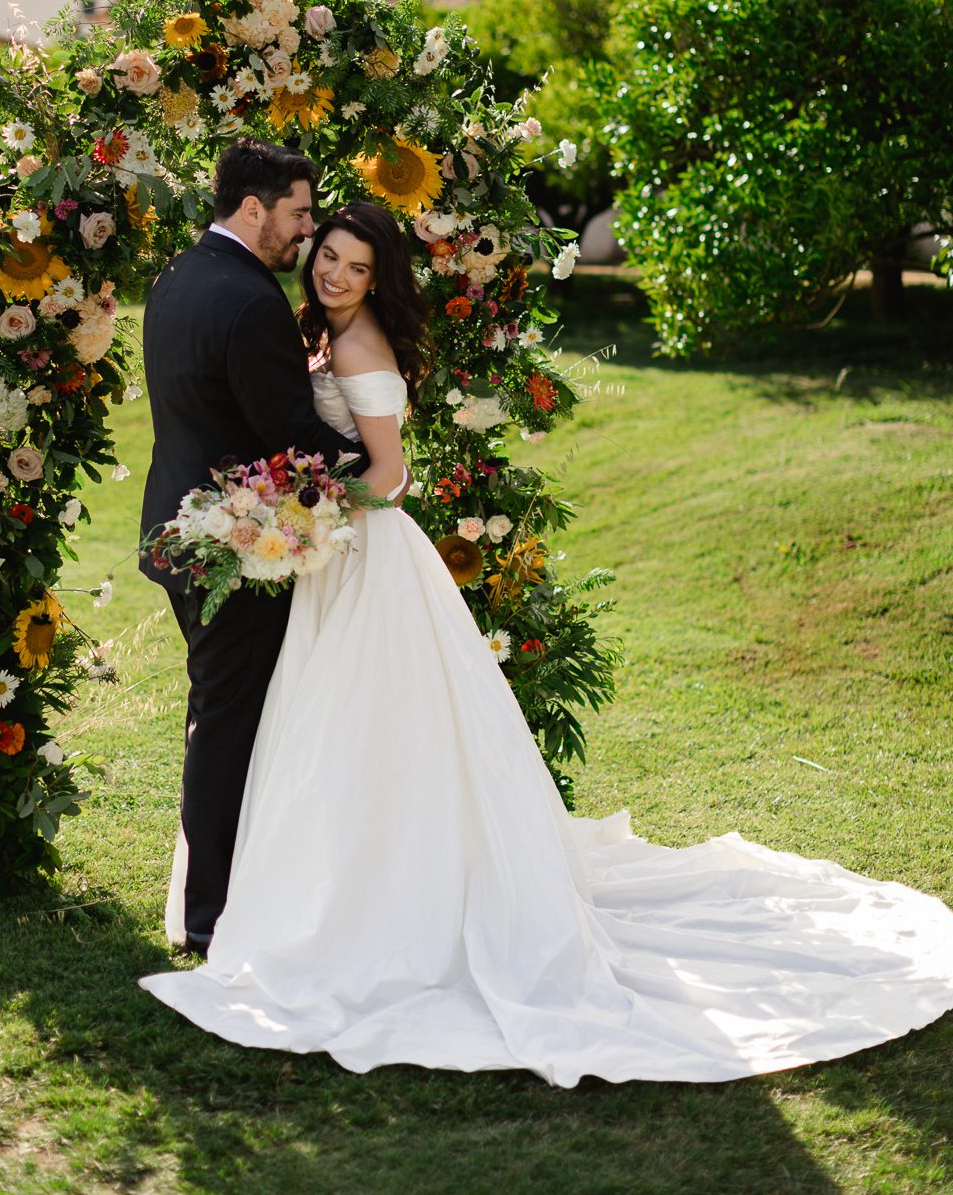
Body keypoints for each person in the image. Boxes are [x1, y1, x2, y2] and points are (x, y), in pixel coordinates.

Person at [140, 202, 953, 1086]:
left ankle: (383, 900)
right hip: (335, 557)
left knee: (367, 719)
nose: (333, 274)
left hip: (362, 553)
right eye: (328, 256)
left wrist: (313, 518)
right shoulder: (320, 328)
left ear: (380, 282)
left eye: (356, 267)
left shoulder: (363, 345)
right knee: (332, 727)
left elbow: (389, 470)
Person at [138, 140, 370, 953]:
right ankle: (210, 917)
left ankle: (227, 896)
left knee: (225, 716)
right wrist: (371, 457)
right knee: (230, 725)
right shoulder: (250, 300)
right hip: (232, 548)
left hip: (178, 527)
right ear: (252, 209)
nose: (307, 231)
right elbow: (290, 434)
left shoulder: (176, 276)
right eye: (300, 212)